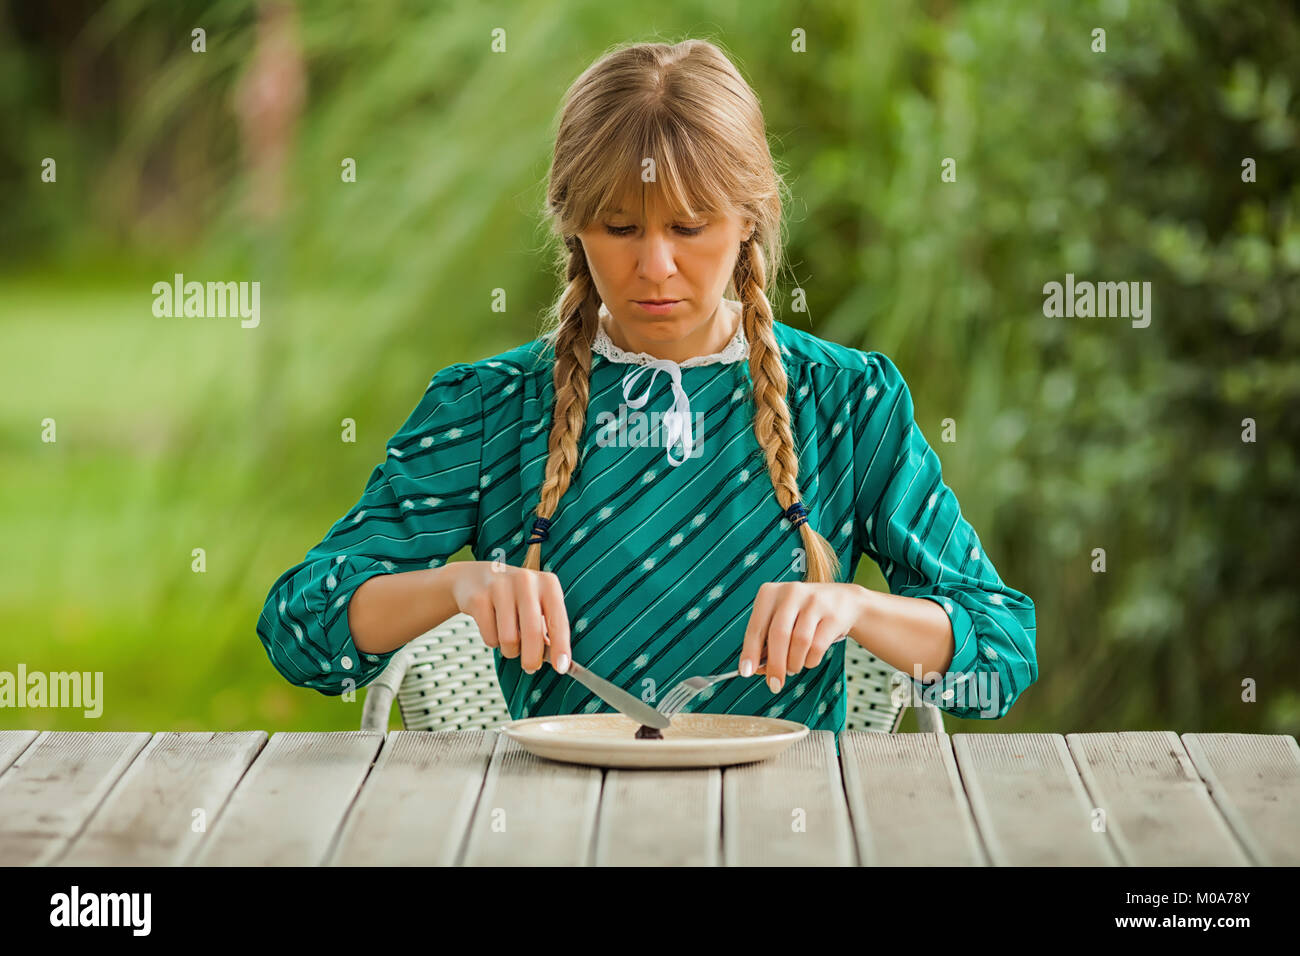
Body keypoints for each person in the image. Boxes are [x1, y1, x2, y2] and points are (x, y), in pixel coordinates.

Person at [256, 39, 1037, 733]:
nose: (655, 266)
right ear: (573, 226)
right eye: (621, 229)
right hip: (554, 827)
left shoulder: (848, 403)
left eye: (690, 227)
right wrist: (460, 585)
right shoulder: (492, 410)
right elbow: (301, 628)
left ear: (749, 222)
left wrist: (856, 607)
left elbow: (1001, 657)